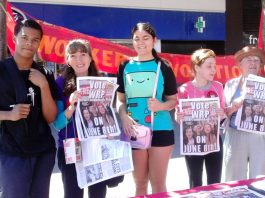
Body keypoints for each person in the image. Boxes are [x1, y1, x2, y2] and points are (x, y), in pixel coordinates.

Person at [53, 39, 123, 198]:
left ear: (91, 58)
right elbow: (57, 124)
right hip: (71, 147)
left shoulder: (102, 82)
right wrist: (71, 106)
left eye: (83, 54)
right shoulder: (59, 84)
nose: (79, 59)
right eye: (73, 55)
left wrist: (110, 132)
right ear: (67, 60)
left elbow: (107, 117)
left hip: (97, 146)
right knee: (73, 194)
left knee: (98, 193)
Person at [116, 22, 177, 195]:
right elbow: (120, 100)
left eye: (146, 38)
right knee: (140, 185)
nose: (141, 42)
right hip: (135, 130)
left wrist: (161, 105)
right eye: (137, 39)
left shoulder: (163, 66)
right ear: (132, 41)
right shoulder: (124, 66)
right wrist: (124, 117)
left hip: (161, 129)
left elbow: (173, 100)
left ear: (154, 40)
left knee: (158, 186)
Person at [0, 19, 58, 198]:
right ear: (15, 37)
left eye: (35, 40)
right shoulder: (2, 70)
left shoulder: (44, 74)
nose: (29, 43)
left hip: (43, 151)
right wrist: (9, 114)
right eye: (24, 37)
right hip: (12, 151)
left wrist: (44, 86)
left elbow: (50, 117)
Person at [175, 48, 226, 188]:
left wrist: (222, 114)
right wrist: (178, 117)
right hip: (192, 143)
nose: (213, 70)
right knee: (195, 183)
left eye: (214, 66)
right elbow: (179, 117)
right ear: (197, 67)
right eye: (209, 66)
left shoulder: (218, 87)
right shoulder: (184, 89)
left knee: (215, 184)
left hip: (214, 141)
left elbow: (222, 117)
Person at [223, 45, 265, 182]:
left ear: (260, 65)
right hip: (235, 135)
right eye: (249, 59)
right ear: (240, 64)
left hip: (259, 137)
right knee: (234, 178)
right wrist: (234, 107)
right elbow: (223, 114)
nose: (253, 63)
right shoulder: (230, 85)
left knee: (259, 179)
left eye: (256, 60)